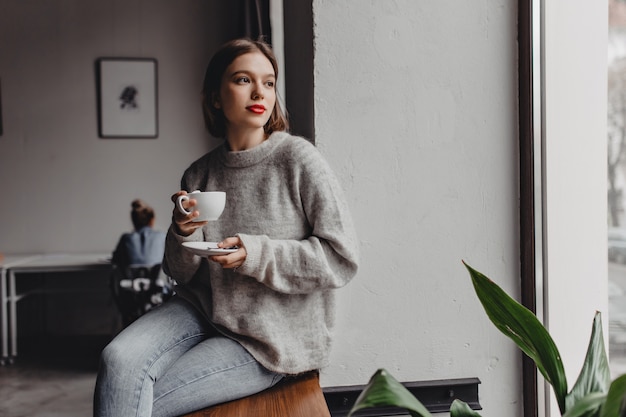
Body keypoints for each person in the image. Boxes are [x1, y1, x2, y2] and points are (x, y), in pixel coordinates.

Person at [93, 38, 359, 417]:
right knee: (116, 361)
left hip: (266, 338)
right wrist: (183, 232)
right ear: (216, 97)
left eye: (268, 82)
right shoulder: (200, 171)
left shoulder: (298, 160)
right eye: (242, 80)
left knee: (139, 401)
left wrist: (255, 253)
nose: (259, 92)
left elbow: (341, 257)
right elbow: (183, 273)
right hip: (202, 309)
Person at [111, 199, 166, 268]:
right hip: (157, 277)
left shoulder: (126, 238)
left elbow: (115, 260)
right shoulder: (161, 237)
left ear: (133, 221)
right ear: (152, 220)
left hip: (131, 278)